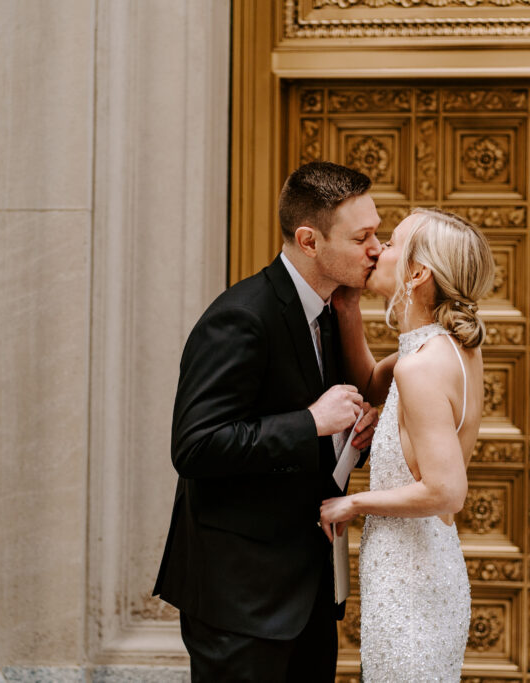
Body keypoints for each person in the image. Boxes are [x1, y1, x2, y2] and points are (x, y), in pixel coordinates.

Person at [152, 161, 382, 682]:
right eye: (363, 236)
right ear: (309, 240)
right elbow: (195, 445)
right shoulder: (240, 316)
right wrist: (310, 422)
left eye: (378, 233)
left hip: (308, 592)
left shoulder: (330, 311)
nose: (377, 249)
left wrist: (351, 436)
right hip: (241, 600)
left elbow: (313, 437)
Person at [320, 208, 495, 681]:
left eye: (392, 242)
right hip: (419, 566)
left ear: (418, 274)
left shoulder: (422, 367)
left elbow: (446, 492)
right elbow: (369, 383)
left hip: (412, 582)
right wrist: (349, 307)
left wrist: (350, 503)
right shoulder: (439, 348)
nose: (378, 249)